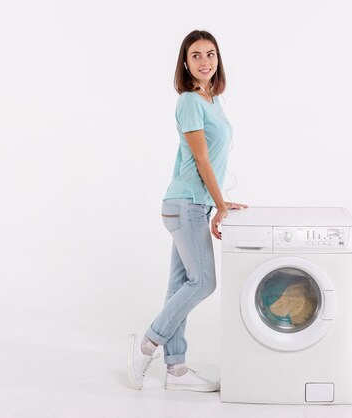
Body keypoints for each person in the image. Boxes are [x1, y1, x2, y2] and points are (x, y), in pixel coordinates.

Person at [127, 30, 248, 392]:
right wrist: (220, 204)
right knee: (203, 282)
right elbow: (201, 159)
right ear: (185, 62)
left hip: (192, 204)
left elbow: (211, 161)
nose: (205, 61)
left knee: (180, 287)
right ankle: (148, 343)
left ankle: (176, 370)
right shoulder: (190, 102)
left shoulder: (212, 101)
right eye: (196, 56)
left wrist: (220, 201)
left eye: (210, 54)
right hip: (186, 206)